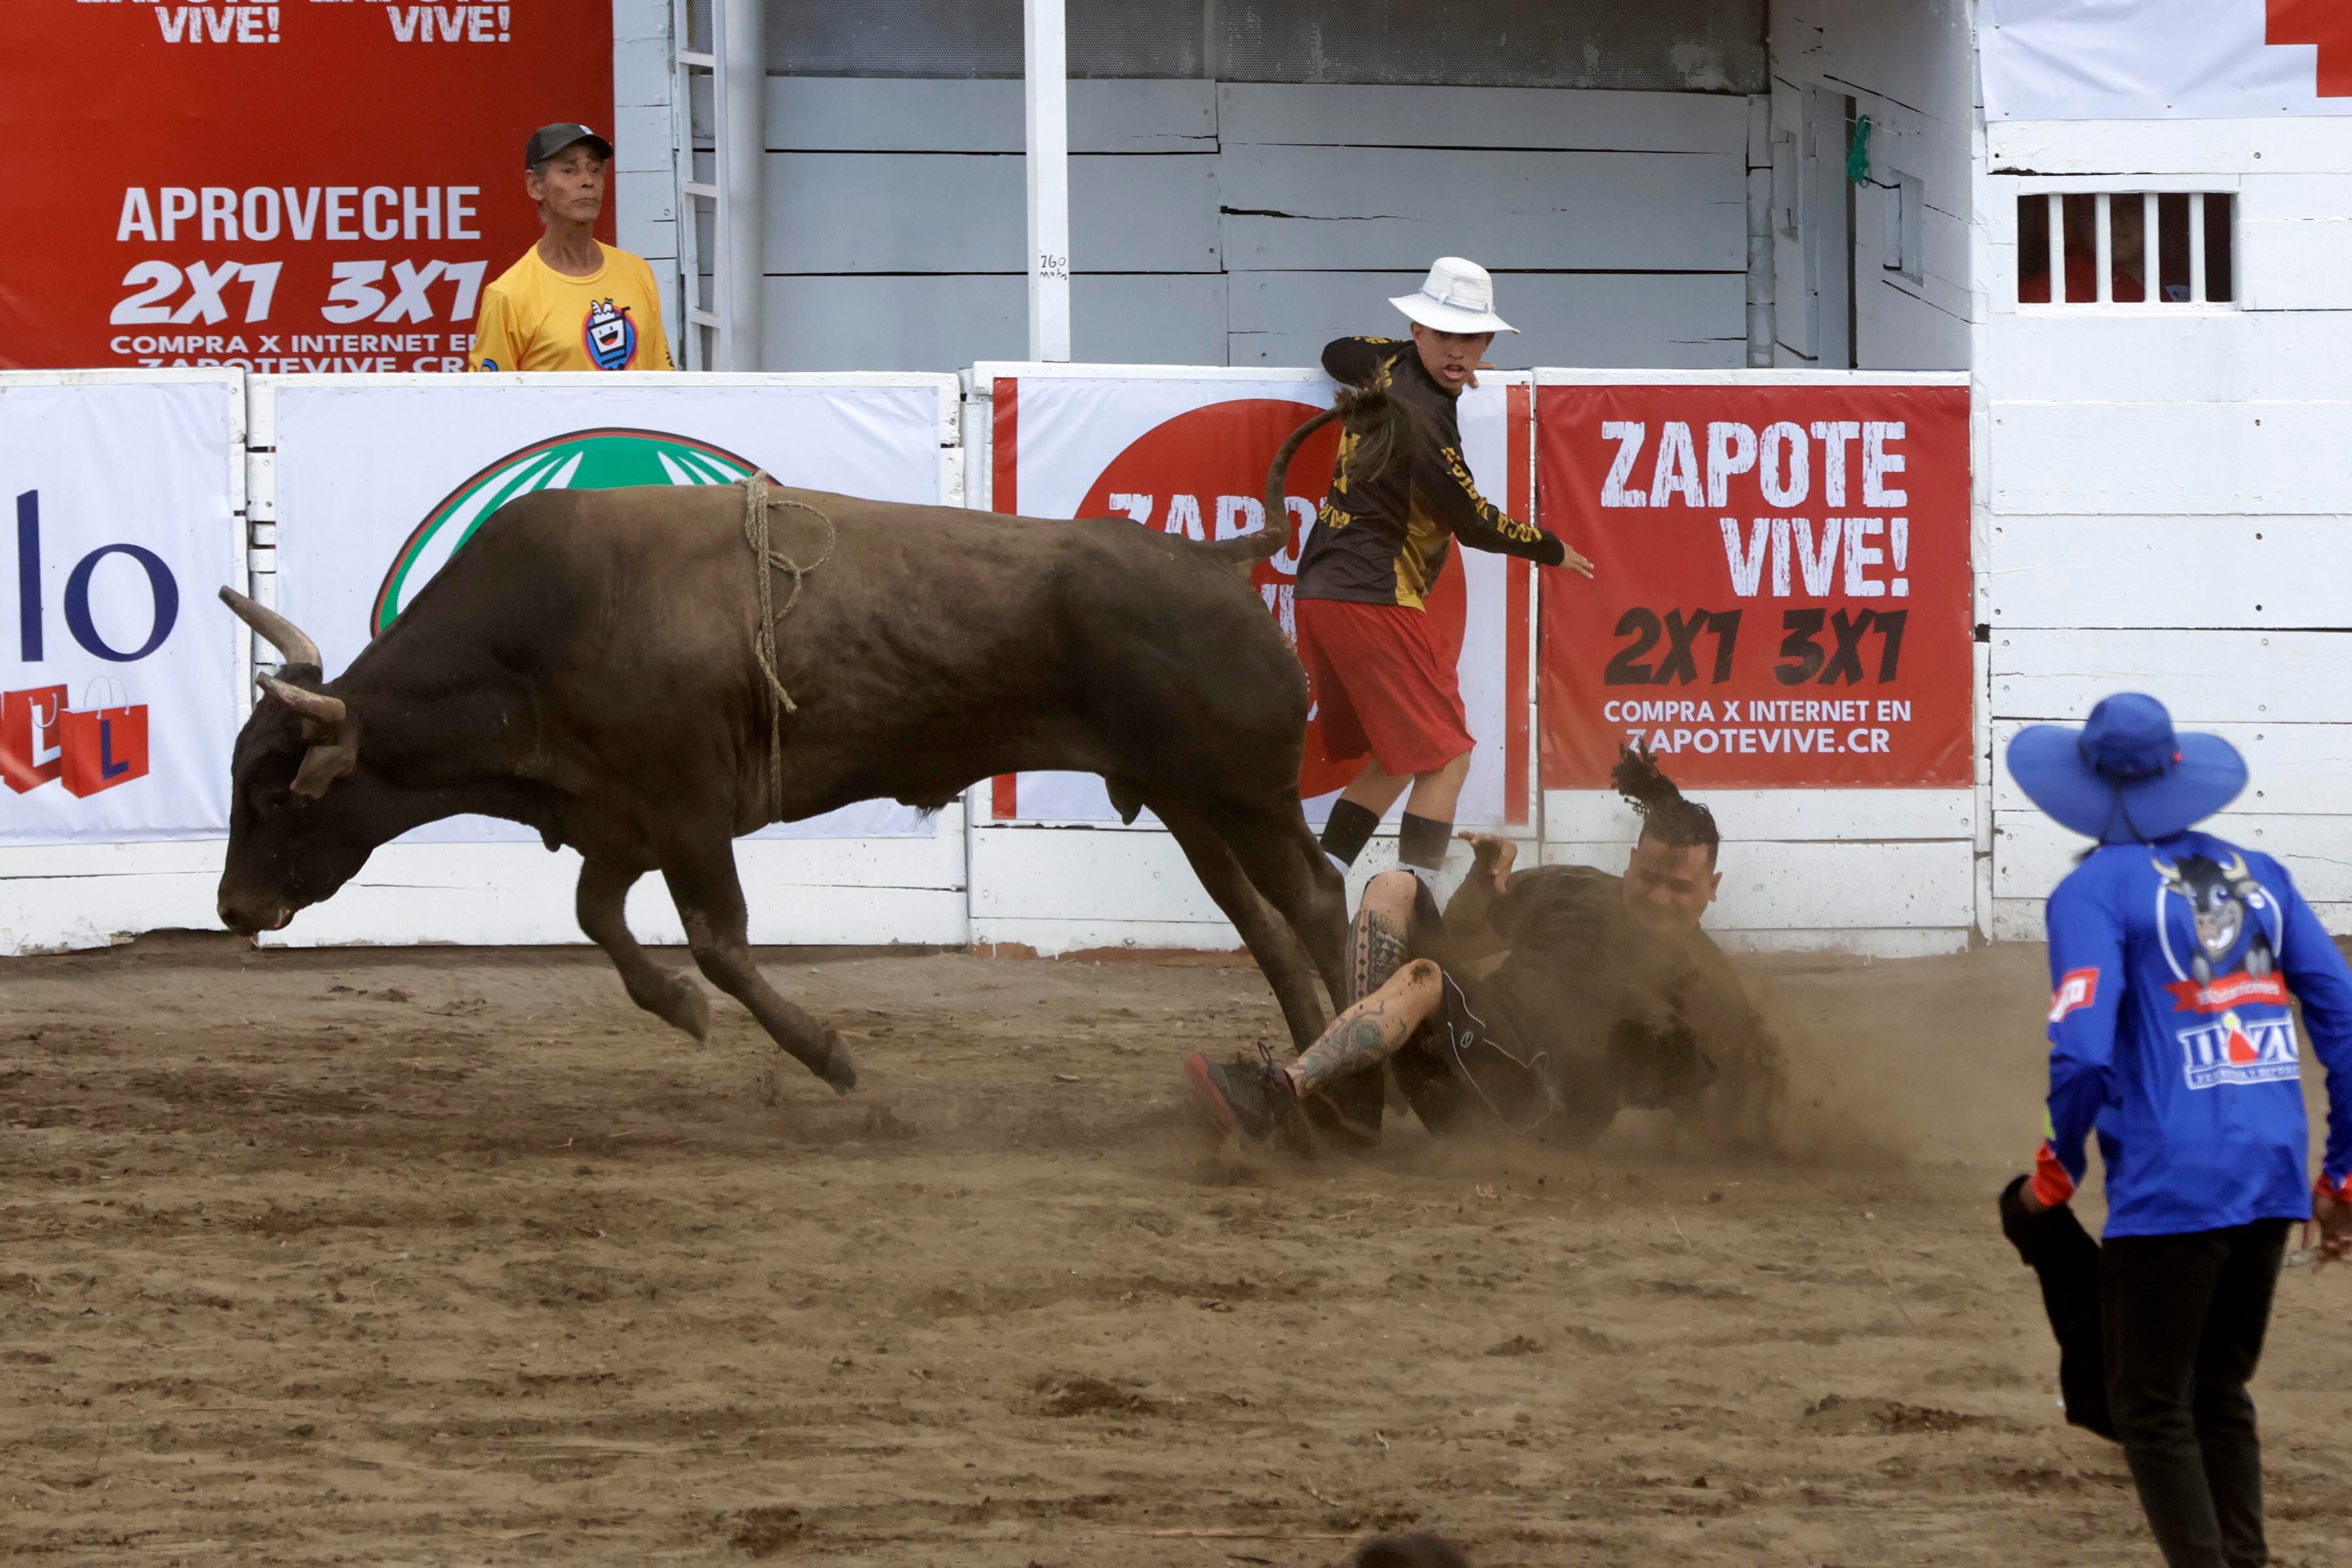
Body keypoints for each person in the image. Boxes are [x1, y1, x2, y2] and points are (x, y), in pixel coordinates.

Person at [2001, 692, 2352, 1568]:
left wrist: (2056, 1164)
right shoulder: (2262, 874)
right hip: (2272, 1167)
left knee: (2151, 1404)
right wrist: (2342, 1173)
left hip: (2171, 1180)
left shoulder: (2090, 891)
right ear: (2177, 775)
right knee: (2219, 1389)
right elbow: (2343, 1018)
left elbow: (2080, 1054)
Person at [1182, 747, 1784, 1153]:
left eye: (1680, 887)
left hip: (1526, 1106)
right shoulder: (1571, 887)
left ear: (1711, 890)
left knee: (1424, 977)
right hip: (1468, 1037)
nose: (1657, 896)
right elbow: (1462, 940)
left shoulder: (1704, 983)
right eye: (1649, 876)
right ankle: (1357, 1102)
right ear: (1631, 862)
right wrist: (1481, 881)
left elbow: (1723, 1105)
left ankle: (1277, 1092)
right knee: (1396, 886)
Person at [1298, 257, 1593, 889]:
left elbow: (1337, 349)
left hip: (1327, 588)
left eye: (1473, 339)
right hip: (1374, 594)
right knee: (1448, 756)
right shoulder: (1426, 420)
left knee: (1403, 757)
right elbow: (1476, 524)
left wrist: (1421, 357)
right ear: (1418, 329)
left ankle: (1321, 888)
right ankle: (1415, 903)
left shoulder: (1386, 364)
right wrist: (1551, 547)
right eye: (1446, 335)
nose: (1461, 352)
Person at [468, 122, 676, 374]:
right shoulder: (509, 296)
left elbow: (665, 382)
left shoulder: (637, 272)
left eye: (595, 169)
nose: (587, 181)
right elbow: (491, 402)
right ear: (535, 185)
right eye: (569, 170)